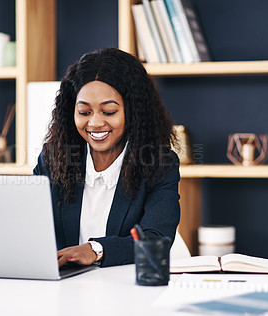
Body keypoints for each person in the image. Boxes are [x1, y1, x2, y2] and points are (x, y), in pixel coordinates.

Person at [33, 48, 180, 268]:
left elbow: (156, 238)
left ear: (134, 112)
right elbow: (28, 225)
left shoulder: (159, 164)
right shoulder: (53, 158)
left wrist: (95, 249)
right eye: (84, 112)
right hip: (64, 286)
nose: (94, 123)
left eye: (109, 111)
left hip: (124, 289)